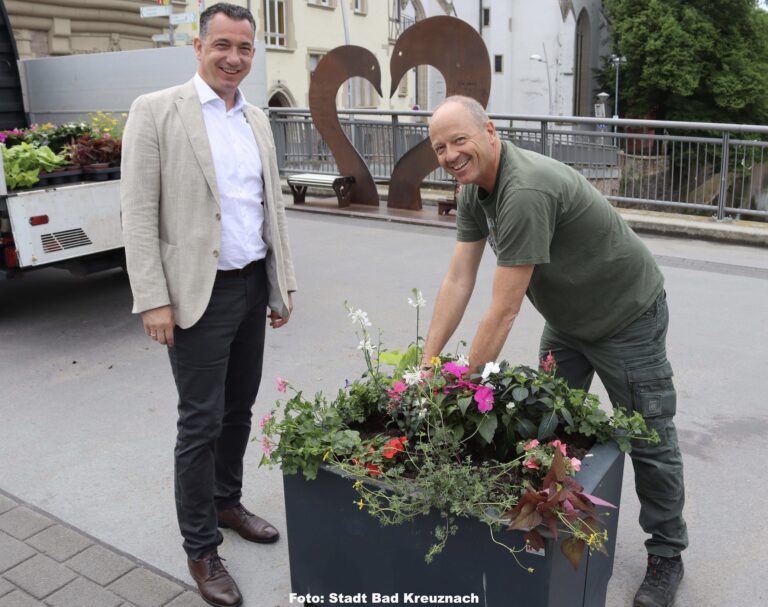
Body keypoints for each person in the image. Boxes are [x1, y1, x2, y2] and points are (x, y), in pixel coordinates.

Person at [422, 95, 687, 607]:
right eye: (440, 147)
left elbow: (502, 311)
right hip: (568, 322)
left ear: (490, 131)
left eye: (460, 140)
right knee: (545, 421)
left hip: (625, 315)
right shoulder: (475, 191)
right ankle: (551, 517)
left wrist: (459, 385)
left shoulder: (524, 190)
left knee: (649, 436)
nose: (451, 154)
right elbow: (458, 278)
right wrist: (428, 365)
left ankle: (667, 555)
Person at [120, 4, 296, 606]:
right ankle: (201, 548)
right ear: (198, 47)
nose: (234, 58)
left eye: (245, 49)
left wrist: (281, 284)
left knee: (239, 408)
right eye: (222, 45)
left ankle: (226, 502)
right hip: (197, 292)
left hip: (250, 284)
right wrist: (153, 299)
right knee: (200, 420)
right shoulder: (156, 111)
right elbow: (138, 214)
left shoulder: (255, 117)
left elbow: (269, 206)